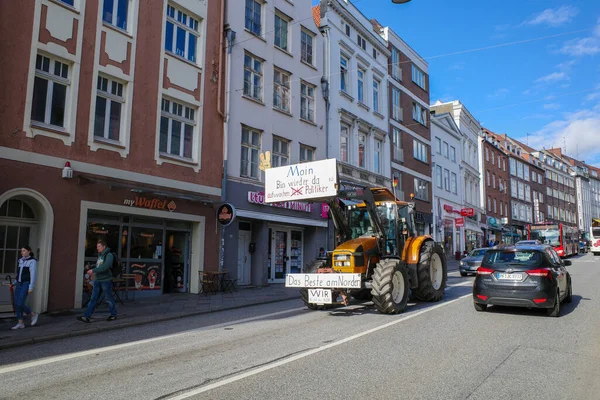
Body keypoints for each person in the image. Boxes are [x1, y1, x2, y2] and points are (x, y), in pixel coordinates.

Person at [77, 240, 117, 323]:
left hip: (105, 280)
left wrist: (93, 270)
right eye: (97, 246)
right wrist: (92, 266)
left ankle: (113, 315)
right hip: (97, 280)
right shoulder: (100, 255)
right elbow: (99, 265)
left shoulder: (109, 255)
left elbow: (105, 267)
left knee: (109, 298)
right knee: (93, 299)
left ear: (104, 246)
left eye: (99, 246)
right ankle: (86, 316)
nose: (97, 248)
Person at [11, 246, 39, 330]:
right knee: (16, 304)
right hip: (19, 283)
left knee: (20, 303)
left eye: (24, 251)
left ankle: (33, 314)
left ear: (29, 251)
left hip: (26, 284)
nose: (22, 252)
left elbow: (33, 275)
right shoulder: (20, 261)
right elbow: (19, 274)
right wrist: (14, 283)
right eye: (21, 251)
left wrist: (31, 287)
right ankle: (20, 323)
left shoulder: (32, 261)